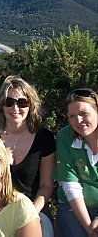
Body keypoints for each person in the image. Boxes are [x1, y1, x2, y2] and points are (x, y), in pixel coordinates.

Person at [0, 75, 55, 236]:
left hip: (35, 209)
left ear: (31, 105)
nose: (15, 108)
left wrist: (30, 214)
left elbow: (46, 185)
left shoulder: (44, 139)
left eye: (22, 102)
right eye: (9, 102)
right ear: (2, 106)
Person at [54, 88, 98, 237]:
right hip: (73, 208)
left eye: (84, 114)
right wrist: (90, 229)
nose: (78, 121)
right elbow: (70, 185)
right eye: (72, 116)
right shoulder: (65, 137)